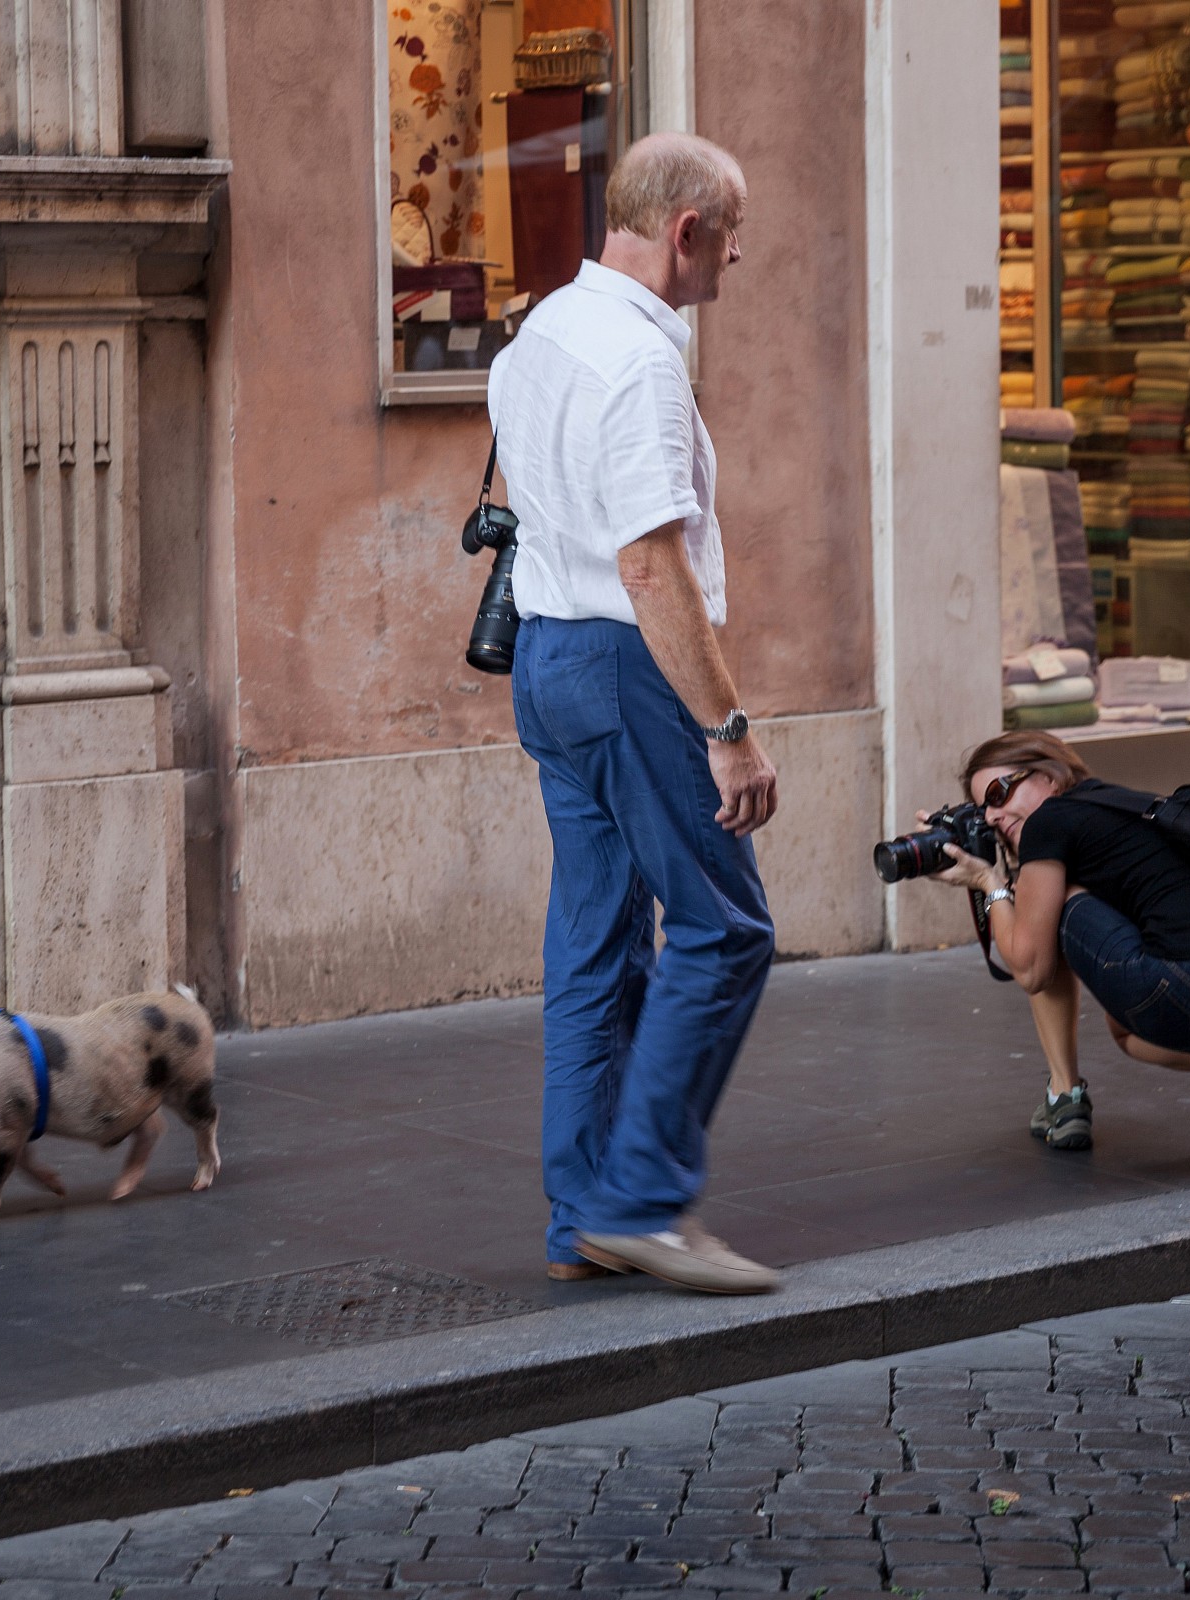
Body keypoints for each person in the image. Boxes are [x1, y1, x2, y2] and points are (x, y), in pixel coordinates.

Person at [489, 133, 780, 1294]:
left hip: (550, 663)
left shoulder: (538, 335)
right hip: (622, 664)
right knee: (725, 927)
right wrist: (729, 728)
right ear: (685, 232)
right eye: (732, 235)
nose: (738, 256)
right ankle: (643, 1201)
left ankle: (581, 1220)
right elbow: (652, 565)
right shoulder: (639, 360)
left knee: (597, 946)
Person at [933, 730, 1190, 1163]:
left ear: (1051, 777)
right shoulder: (1121, 807)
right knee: (1124, 1032)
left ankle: (1064, 1095)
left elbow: (1031, 968)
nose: (994, 816)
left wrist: (988, 881)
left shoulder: (1048, 822)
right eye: (983, 812)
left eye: (999, 793)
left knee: (1054, 914)